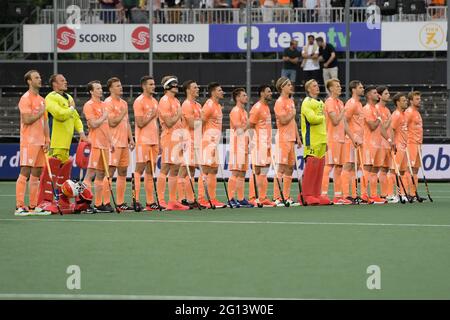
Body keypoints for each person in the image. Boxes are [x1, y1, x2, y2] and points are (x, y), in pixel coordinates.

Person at [37, 74, 88, 214]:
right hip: (55, 141)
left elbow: (76, 117)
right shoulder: (51, 97)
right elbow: (59, 114)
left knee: (64, 173)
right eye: (62, 80)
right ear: (54, 84)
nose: (65, 82)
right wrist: (71, 109)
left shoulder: (69, 97)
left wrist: (82, 132)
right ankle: (44, 201)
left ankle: (61, 200)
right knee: (51, 172)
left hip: (66, 142)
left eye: (65, 80)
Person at [15, 70, 51, 216]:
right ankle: (19, 206)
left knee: (36, 173)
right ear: (29, 81)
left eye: (40, 77)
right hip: (28, 141)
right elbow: (27, 120)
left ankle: (33, 206)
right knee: (25, 171)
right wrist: (40, 111)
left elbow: (45, 122)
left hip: (40, 142)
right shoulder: (25, 98)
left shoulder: (42, 99)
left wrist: (47, 139)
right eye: (36, 77)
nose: (39, 79)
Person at [157, 76, 190, 211]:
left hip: (177, 138)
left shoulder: (176, 100)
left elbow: (179, 122)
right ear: (168, 87)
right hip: (169, 137)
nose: (177, 86)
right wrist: (179, 113)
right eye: (174, 84)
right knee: (166, 168)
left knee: (175, 169)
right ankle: (161, 200)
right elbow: (170, 122)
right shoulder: (164, 101)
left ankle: (172, 200)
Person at [103, 77, 135, 212]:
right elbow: (112, 122)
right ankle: (105, 201)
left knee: (122, 172)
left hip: (123, 143)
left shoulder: (123, 103)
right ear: (110, 88)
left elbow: (126, 122)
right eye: (117, 86)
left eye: (120, 85)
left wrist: (131, 138)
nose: (120, 88)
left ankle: (120, 202)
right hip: (113, 143)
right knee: (110, 171)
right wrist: (122, 113)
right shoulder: (107, 103)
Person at [82, 81, 114, 213]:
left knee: (101, 174)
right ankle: (85, 203)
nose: (101, 90)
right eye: (97, 88)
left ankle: (98, 203)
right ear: (91, 91)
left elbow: (106, 126)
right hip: (95, 143)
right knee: (90, 174)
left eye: (101, 88)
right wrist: (104, 116)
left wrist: (110, 141)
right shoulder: (89, 105)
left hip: (104, 144)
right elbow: (94, 124)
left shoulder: (104, 105)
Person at [320, 79, 352, 205]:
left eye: (340, 86)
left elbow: (344, 123)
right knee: (328, 166)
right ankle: (323, 195)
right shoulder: (329, 102)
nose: (340, 88)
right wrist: (343, 111)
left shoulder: (340, 102)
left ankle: (338, 196)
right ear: (331, 89)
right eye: (337, 86)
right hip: (331, 139)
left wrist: (352, 137)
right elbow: (335, 120)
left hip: (341, 139)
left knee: (339, 167)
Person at [273, 77, 302, 206]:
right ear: (282, 87)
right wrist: (293, 114)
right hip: (283, 138)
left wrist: (298, 137)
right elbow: (284, 120)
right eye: (288, 84)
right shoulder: (279, 102)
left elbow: (292, 121)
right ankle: (277, 197)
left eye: (291, 84)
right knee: (282, 167)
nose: (291, 86)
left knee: (290, 168)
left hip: (291, 138)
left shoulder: (290, 101)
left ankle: (287, 196)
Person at [197, 82, 226, 208]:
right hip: (208, 142)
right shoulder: (208, 105)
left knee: (213, 170)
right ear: (213, 92)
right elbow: (199, 124)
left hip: (215, 142)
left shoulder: (218, 106)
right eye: (219, 90)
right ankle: (202, 198)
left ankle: (212, 198)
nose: (222, 92)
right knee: (206, 170)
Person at [133, 76, 160, 211]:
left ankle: (150, 202)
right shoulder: (139, 101)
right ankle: (136, 200)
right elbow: (140, 122)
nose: (153, 86)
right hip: (143, 140)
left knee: (151, 171)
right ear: (144, 86)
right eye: (150, 84)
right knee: (139, 169)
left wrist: (158, 141)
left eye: (154, 84)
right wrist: (151, 114)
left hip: (154, 140)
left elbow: (157, 124)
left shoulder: (155, 101)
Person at [248, 85, 277, 207]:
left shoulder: (266, 107)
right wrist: (252, 142)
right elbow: (250, 125)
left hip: (267, 143)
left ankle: (263, 197)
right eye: (268, 91)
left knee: (264, 170)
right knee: (257, 170)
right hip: (259, 143)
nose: (271, 93)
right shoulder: (257, 108)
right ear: (261, 93)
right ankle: (252, 197)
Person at [300, 79, 328, 205]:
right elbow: (312, 119)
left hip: (321, 139)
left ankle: (316, 194)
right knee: (311, 166)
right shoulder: (307, 102)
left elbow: (323, 123)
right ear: (308, 89)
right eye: (314, 86)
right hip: (311, 140)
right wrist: (322, 117)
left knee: (320, 167)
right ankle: (305, 195)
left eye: (317, 85)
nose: (317, 87)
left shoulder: (321, 102)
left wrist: (325, 139)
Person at [178, 80, 203, 209]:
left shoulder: (198, 105)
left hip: (197, 140)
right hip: (188, 140)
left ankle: (190, 199)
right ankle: (181, 199)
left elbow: (199, 124)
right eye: (195, 87)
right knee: (184, 171)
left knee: (191, 171)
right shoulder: (186, 105)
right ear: (188, 90)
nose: (197, 89)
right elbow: (193, 124)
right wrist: (202, 121)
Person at [228, 88, 253, 208]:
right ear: (237, 97)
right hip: (237, 145)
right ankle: (230, 198)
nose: (246, 97)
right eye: (243, 95)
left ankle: (241, 198)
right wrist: (250, 123)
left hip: (244, 145)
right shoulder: (235, 111)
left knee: (242, 173)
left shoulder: (244, 112)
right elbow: (239, 130)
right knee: (235, 172)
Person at [340, 80, 364, 204]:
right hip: (350, 140)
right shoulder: (351, 103)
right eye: (360, 87)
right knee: (348, 166)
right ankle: (345, 195)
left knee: (355, 168)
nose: (363, 89)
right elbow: (344, 122)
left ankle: (354, 195)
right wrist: (352, 137)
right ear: (354, 89)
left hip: (358, 141)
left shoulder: (359, 104)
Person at [362, 86, 386, 204]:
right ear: (368, 95)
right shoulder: (366, 109)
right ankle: (363, 194)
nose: (378, 95)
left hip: (378, 143)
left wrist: (390, 140)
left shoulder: (376, 109)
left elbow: (381, 129)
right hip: (369, 143)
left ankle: (373, 194)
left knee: (375, 169)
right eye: (375, 93)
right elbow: (372, 126)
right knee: (367, 168)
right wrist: (379, 118)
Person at [375, 86, 397, 203]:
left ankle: (386, 194)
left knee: (385, 169)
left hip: (388, 144)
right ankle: (383, 194)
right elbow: (381, 127)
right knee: (378, 169)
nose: (388, 95)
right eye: (386, 93)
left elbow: (391, 129)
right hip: (379, 143)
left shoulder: (387, 110)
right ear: (379, 96)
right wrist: (389, 120)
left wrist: (393, 142)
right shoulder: (377, 109)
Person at [405, 91, 425, 202]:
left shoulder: (417, 113)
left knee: (416, 170)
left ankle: (414, 193)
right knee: (410, 169)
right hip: (411, 143)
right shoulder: (409, 112)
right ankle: (408, 193)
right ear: (411, 101)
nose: (419, 100)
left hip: (418, 144)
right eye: (417, 99)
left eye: (419, 98)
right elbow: (404, 127)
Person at [390, 92, 410, 202]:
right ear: (398, 102)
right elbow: (392, 129)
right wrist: (393, 143)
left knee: (402, 171)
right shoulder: (396, 114)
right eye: (403, 100)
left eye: (406, 100)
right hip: (398, 146)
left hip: (404, 146)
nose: (406, 101)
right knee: (394, 171)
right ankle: (393, 194)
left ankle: (401, 193)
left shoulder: (404, 114)